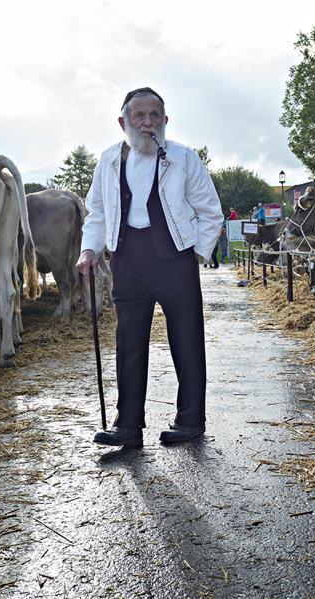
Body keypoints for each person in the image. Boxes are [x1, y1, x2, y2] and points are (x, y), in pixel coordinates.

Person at [76, 87, 223, 448]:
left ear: (165, 121)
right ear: (123, 121)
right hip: (126, 258)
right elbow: (96, 211)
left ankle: (190, 420)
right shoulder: (108, 160)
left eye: (155, 115)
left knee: (186, 341)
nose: (147, 122)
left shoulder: (184, 158)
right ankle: (127, 425)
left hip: (174, 259)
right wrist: (89, 249)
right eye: (139, 115)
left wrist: (196, 254)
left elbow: (210, 211)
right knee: (129, 342)